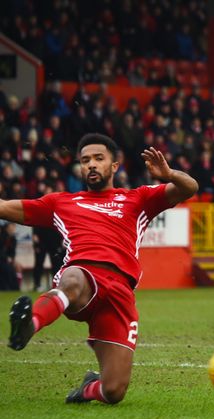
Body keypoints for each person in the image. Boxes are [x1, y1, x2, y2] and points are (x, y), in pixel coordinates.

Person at [4, 133, 198, 404]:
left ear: (114, 166)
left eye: (98, 158)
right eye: (85, 161)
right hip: (83, 276)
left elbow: (190, 187)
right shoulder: (60, 203)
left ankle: (89, 388)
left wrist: (168, 173)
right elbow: (5, 208)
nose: (91, 165)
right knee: (73, 278)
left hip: (119, 294)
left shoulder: (138, 199)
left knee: (114, 391)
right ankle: (29, 326)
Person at [33, 226, 65, 292]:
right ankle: (37, 285)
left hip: (54, 240)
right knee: (39, 263)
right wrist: (35, 235)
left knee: (56, 265)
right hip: (41, 240)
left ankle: (56, 285)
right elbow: (35, 223)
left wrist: (62, 238)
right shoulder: (40, 216)